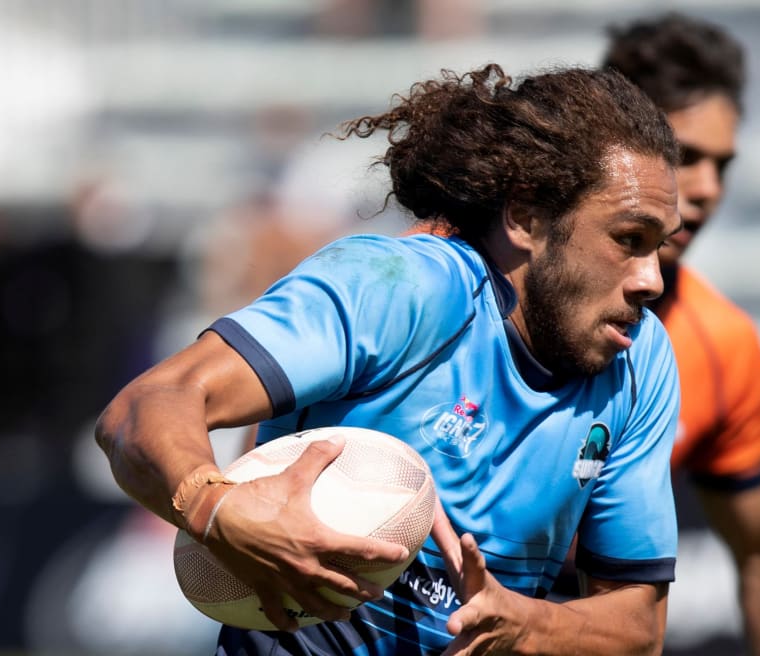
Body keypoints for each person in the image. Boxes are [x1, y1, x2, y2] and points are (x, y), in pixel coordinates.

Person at [96, 63, 684, 656]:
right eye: (627, 239)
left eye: (658, 247)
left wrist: (525, 625)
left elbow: (637, 627)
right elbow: (146, 405)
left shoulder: (640, 363)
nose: (651, 279)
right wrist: (217, 508)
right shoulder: (401, 289)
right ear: (526, 217)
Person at [598, 13, 760, 655]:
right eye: (684, 156)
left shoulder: (723, 345)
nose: (707, 190)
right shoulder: (472, 286)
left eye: (722, 165)